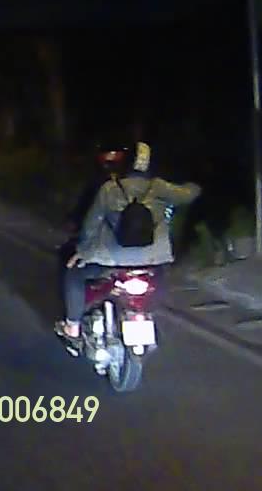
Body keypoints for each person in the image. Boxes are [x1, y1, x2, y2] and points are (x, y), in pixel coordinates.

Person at [55, 141, 202, 341]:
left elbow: (91, 225)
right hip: (152, 260)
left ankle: (72, 326)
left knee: (74, 274)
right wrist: (196, 183)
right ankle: (148, 314)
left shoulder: (110, 189)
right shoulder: (160, 188)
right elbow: (189, 195)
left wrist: (82, 252)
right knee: (158, 276)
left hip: (111, 259)